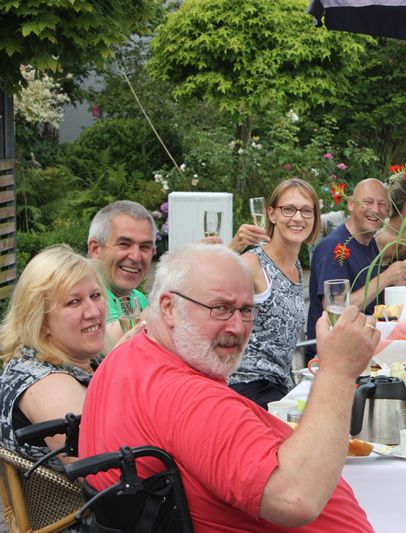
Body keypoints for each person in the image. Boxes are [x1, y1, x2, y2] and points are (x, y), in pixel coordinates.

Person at [79, 243, 380, 532]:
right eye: (220, 308)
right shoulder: (187, 397)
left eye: (246, 310)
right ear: (169, 307)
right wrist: (338, 371)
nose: (237, 327)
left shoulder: (127, 355)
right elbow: (295, 498)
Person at [0, 245, 106, 468]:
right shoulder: (47, 384)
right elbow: (104, 473)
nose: (94, 312)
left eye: (95, 295)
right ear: (42, 320)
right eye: (73, 302)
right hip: (84, 502)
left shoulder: (72, 358)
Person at [228, 179, 320, 408]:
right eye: (288, 209)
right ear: (271, 214)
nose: (298, 218)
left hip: (279, 386)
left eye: (306, 211)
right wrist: (231, 249)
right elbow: (200, 288)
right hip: (247, 389)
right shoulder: (252, 264)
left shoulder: (296, 265)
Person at [307, 178, 406, 354]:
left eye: (381, 204)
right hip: (332, 355)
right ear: (350, 205)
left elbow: (372, 296)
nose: (375, 210)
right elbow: (336, 311)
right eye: (368, 202)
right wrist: (386, 278)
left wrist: (397, 287)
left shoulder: (369, 244)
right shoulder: (334, 248)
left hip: (364, 345)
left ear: (387, 211)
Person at [87, 200, 156, 349]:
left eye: (145, 247)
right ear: (95, 249)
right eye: (124, 244)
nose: (136, 256)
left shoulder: (138, 297)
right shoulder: (83, 301)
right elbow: (107, 345)